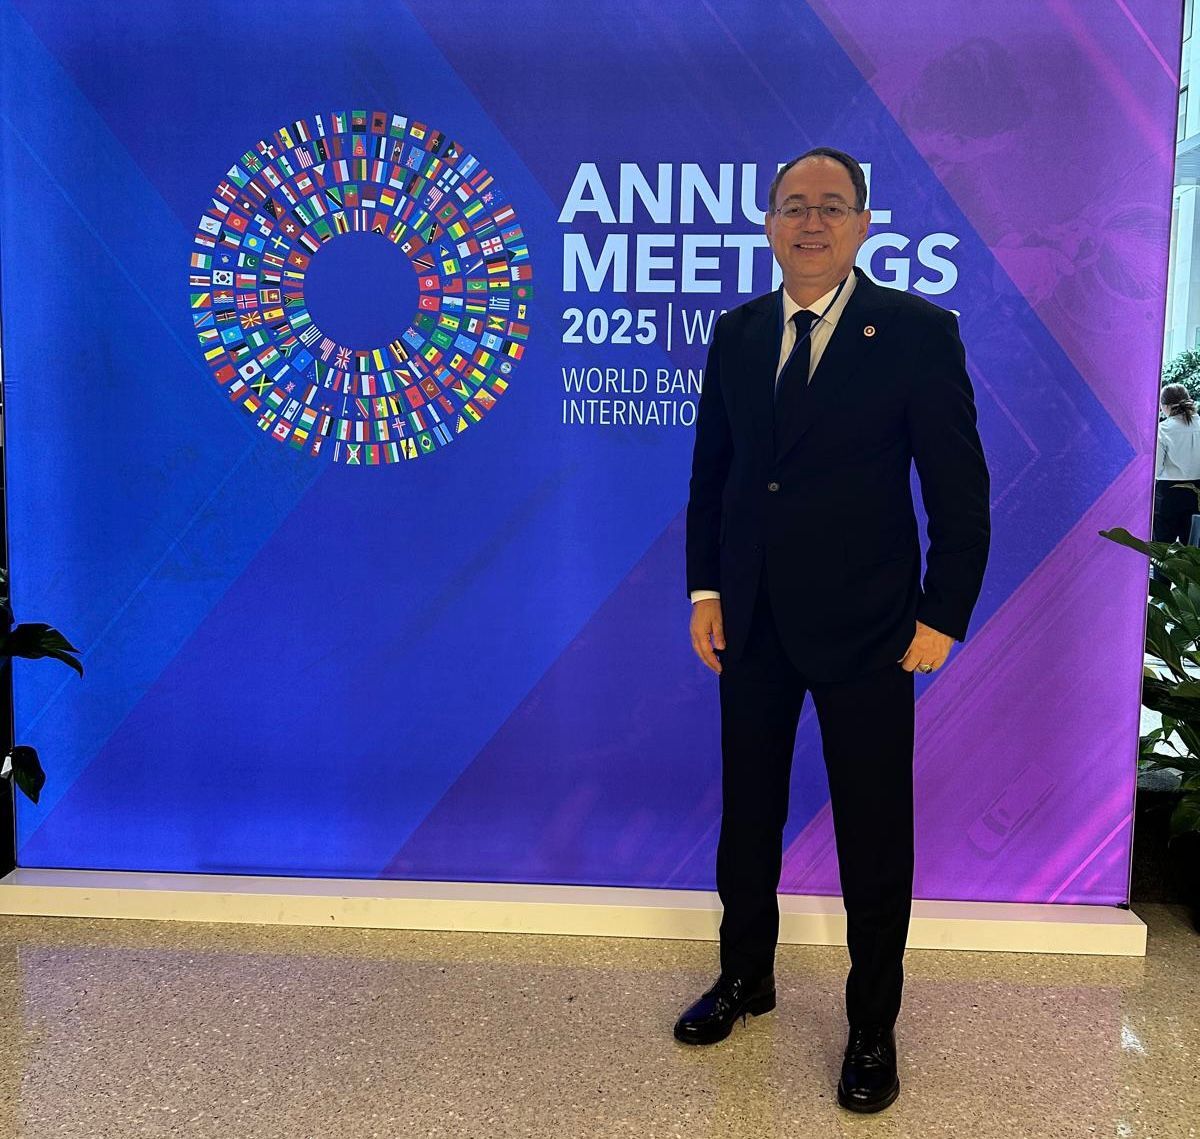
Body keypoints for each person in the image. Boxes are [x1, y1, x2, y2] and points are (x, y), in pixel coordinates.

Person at [677, 147, 991, 1114]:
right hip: (751, 623)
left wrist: (943, 613)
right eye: (792, 206)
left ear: (862, 224)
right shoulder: (736, 333)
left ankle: (871, 1024)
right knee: (748, 818)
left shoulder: (917, 332)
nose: (809, 222)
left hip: (873, 628)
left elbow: (959, 491)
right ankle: (746, 975)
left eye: (830, 206)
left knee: (873, 833)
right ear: (770, 225)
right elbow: (715, 477)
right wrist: (704, 591)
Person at [1153, 383, 1200, 554]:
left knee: (1162, 552)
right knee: (1194, 553)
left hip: (1168, 494)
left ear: (1165, 406)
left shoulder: (1163, 429)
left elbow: (1156, 469)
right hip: (1197, 493)